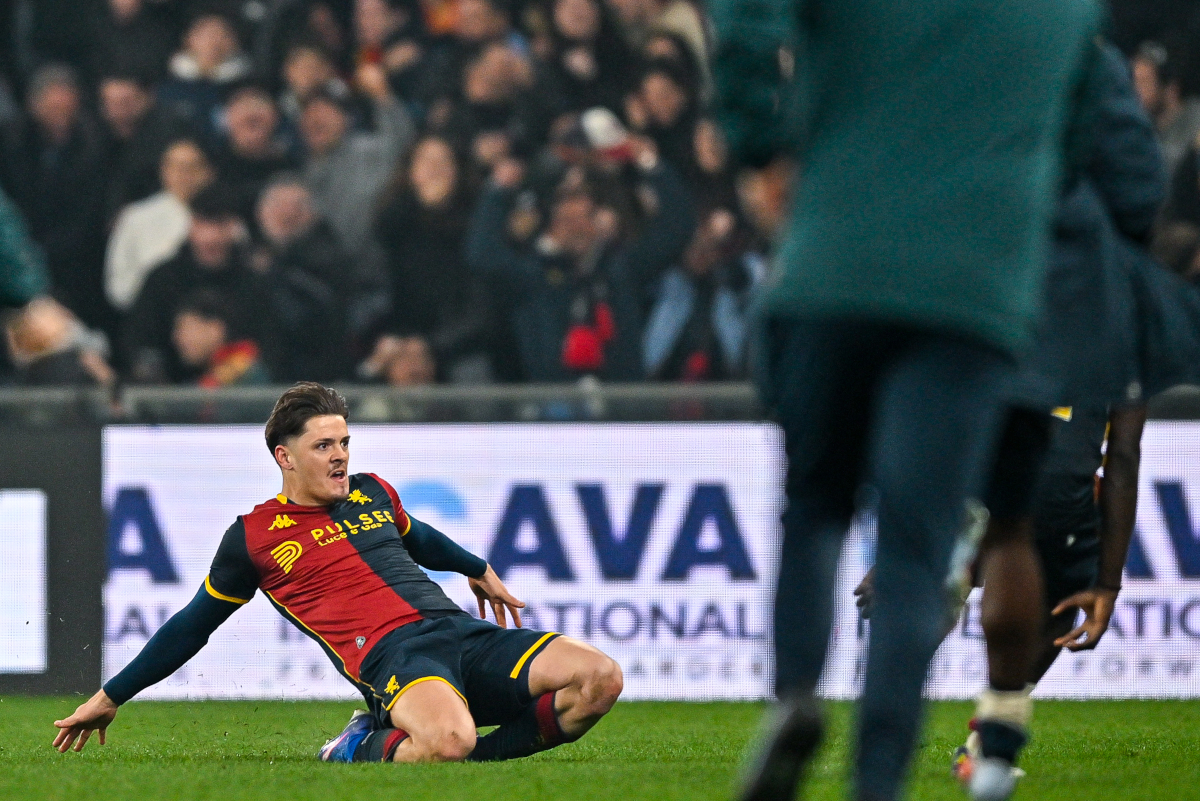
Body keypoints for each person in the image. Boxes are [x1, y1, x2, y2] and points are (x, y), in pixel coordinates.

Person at [709, 3, 1102, 801]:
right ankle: (878, 778)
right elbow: (1090, 130)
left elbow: (746, 23)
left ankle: (795, 698)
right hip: (974, 294)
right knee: (918, 551)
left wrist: (761, 147)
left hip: (835, 264)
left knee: (815, 506)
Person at [52, 382, 623, 764]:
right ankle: (357, 744)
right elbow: (192, 626)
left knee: (600, 680)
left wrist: (475, 568)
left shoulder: (371, 490)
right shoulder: (252, 538)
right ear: (285, 456)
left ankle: (457, 751)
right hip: (398, 659)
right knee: (449, 742)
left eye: (344, 441)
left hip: (461, 633)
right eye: (324, 445)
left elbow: (417, 536)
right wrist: (112, 695)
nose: (340, 456)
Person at [105, 138, 215, 313]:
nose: (184, 174)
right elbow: (118, 282)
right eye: (176, 166)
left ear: (208, 171)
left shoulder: (224, 217)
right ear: (164, 170)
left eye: (193, 167)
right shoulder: (135, 217)